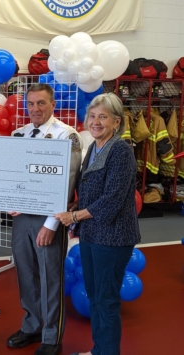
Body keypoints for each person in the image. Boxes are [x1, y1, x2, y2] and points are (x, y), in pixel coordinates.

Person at [55, 93, 141, 355]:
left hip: (113, 238)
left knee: (105, 300)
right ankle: (99, 350)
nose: (95, 122)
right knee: (96, 296)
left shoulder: (121, 151)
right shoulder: (94, 147)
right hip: (93, 234)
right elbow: (92, 190)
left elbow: (111, 200)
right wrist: (75, 206)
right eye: (92, 116)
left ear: (117, 122)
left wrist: (74, 216)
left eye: (103, 117)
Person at [7, 83, 82, 355]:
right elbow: (12, 176)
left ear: (53, 105)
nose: (35, 109)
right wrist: (7, 200)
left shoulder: (67, 136)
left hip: (49, 218)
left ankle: (51, 337)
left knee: (50, 278)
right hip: (21, 218)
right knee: (25, 274)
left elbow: (68, 183)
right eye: (31, 104)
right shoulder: (19, 134)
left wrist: (51, 225)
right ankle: (32, 325)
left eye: (41, 103)